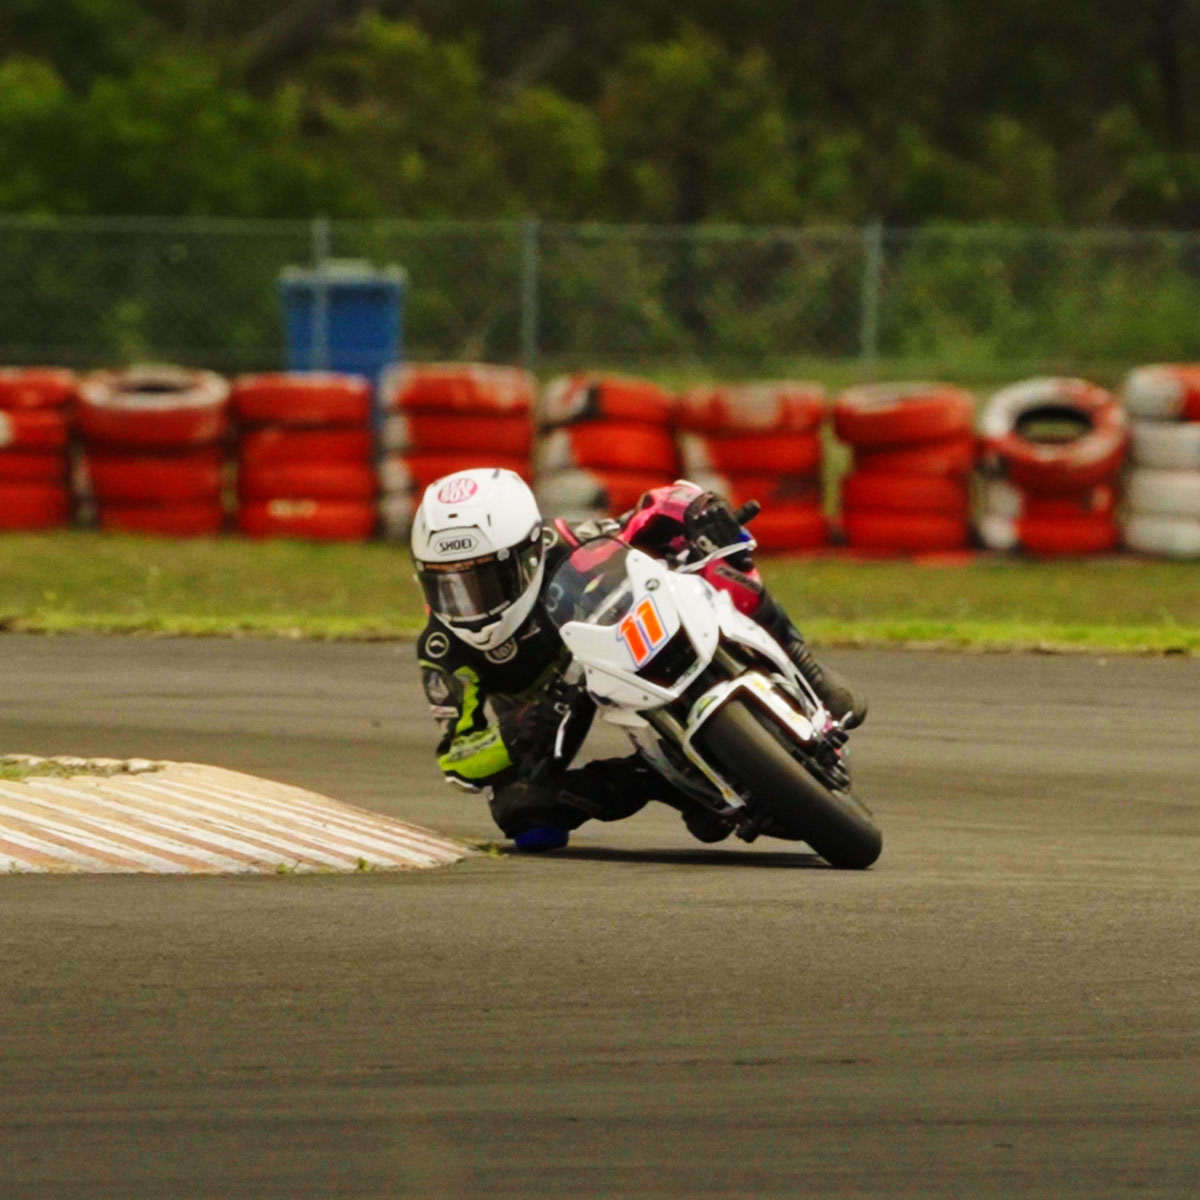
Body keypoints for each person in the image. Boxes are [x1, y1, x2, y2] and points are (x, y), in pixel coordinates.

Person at [411, 467, 866, 851]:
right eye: (445, 586)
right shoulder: (443, 649)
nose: (465, 603)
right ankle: (661, 780)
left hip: (607, 639)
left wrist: (696, 510)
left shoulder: (560, 540)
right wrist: (512, 733)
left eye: (482, 582)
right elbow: (456, 758)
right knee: (526, 817)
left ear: (528, 554)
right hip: (549, 711)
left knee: (723, 562)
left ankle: (808, 669)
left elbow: (643, 515)